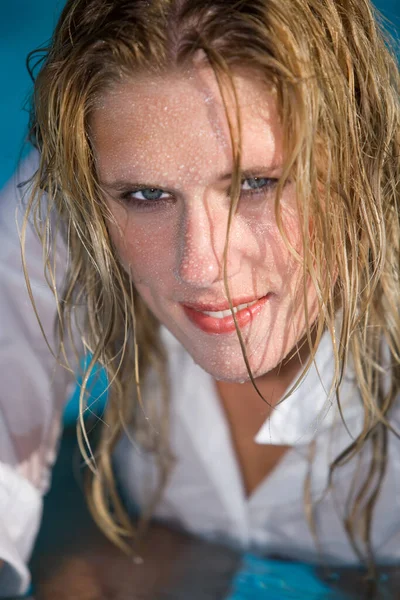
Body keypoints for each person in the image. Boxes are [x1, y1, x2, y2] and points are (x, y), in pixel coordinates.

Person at [0, 0, 399, 596]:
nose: (200, 268)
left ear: (359, 163)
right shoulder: (67, 199)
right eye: (145, 196)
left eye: (255, 183)